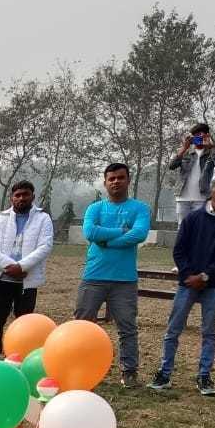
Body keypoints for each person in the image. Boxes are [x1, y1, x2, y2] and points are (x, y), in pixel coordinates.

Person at [148, 170, 215, 396]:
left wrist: (205, 276)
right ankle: (164, 373)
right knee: (173, 330)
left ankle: (204, 376)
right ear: (211, 188)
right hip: (187, 284)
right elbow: (179, 250)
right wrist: (189, 275)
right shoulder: (193, 218)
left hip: (212, 286)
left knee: (209, 333)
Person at [74, 163, 152, 387]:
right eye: (112, 178)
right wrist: (120, 232)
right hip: (93, 276)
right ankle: (79, 367)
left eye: (120, 177)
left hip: (124, 280)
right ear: (105, 182)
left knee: (127, 328)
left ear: (128, 180)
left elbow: (139, 234)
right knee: (82, 325)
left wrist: (106, 241)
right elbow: (90, 232)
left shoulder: (140, 208)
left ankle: (129, 372)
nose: (116, 181)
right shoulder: (95, 208)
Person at [0, 181, 54, 358]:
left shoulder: (43, 219)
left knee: (25, 323)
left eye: (25, 194)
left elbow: (45, 246)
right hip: (3, 278)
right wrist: (10, 267)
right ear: (11, 198)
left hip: (26, 280)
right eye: (18, 195)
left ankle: (19, 357)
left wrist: (22, 266)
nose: (21, 198)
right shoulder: (1, 219)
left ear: (33, 196)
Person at [170, 123, 215, 224]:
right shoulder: (186, 152)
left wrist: (212, 147)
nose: (198, 139)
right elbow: (172, 166)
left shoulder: (211, 153)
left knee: (199, 228)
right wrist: (184, 148)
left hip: (202, 198)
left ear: (207, 136)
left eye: (201, 136)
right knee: (183, 228)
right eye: (195, 136)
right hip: (182, 198)